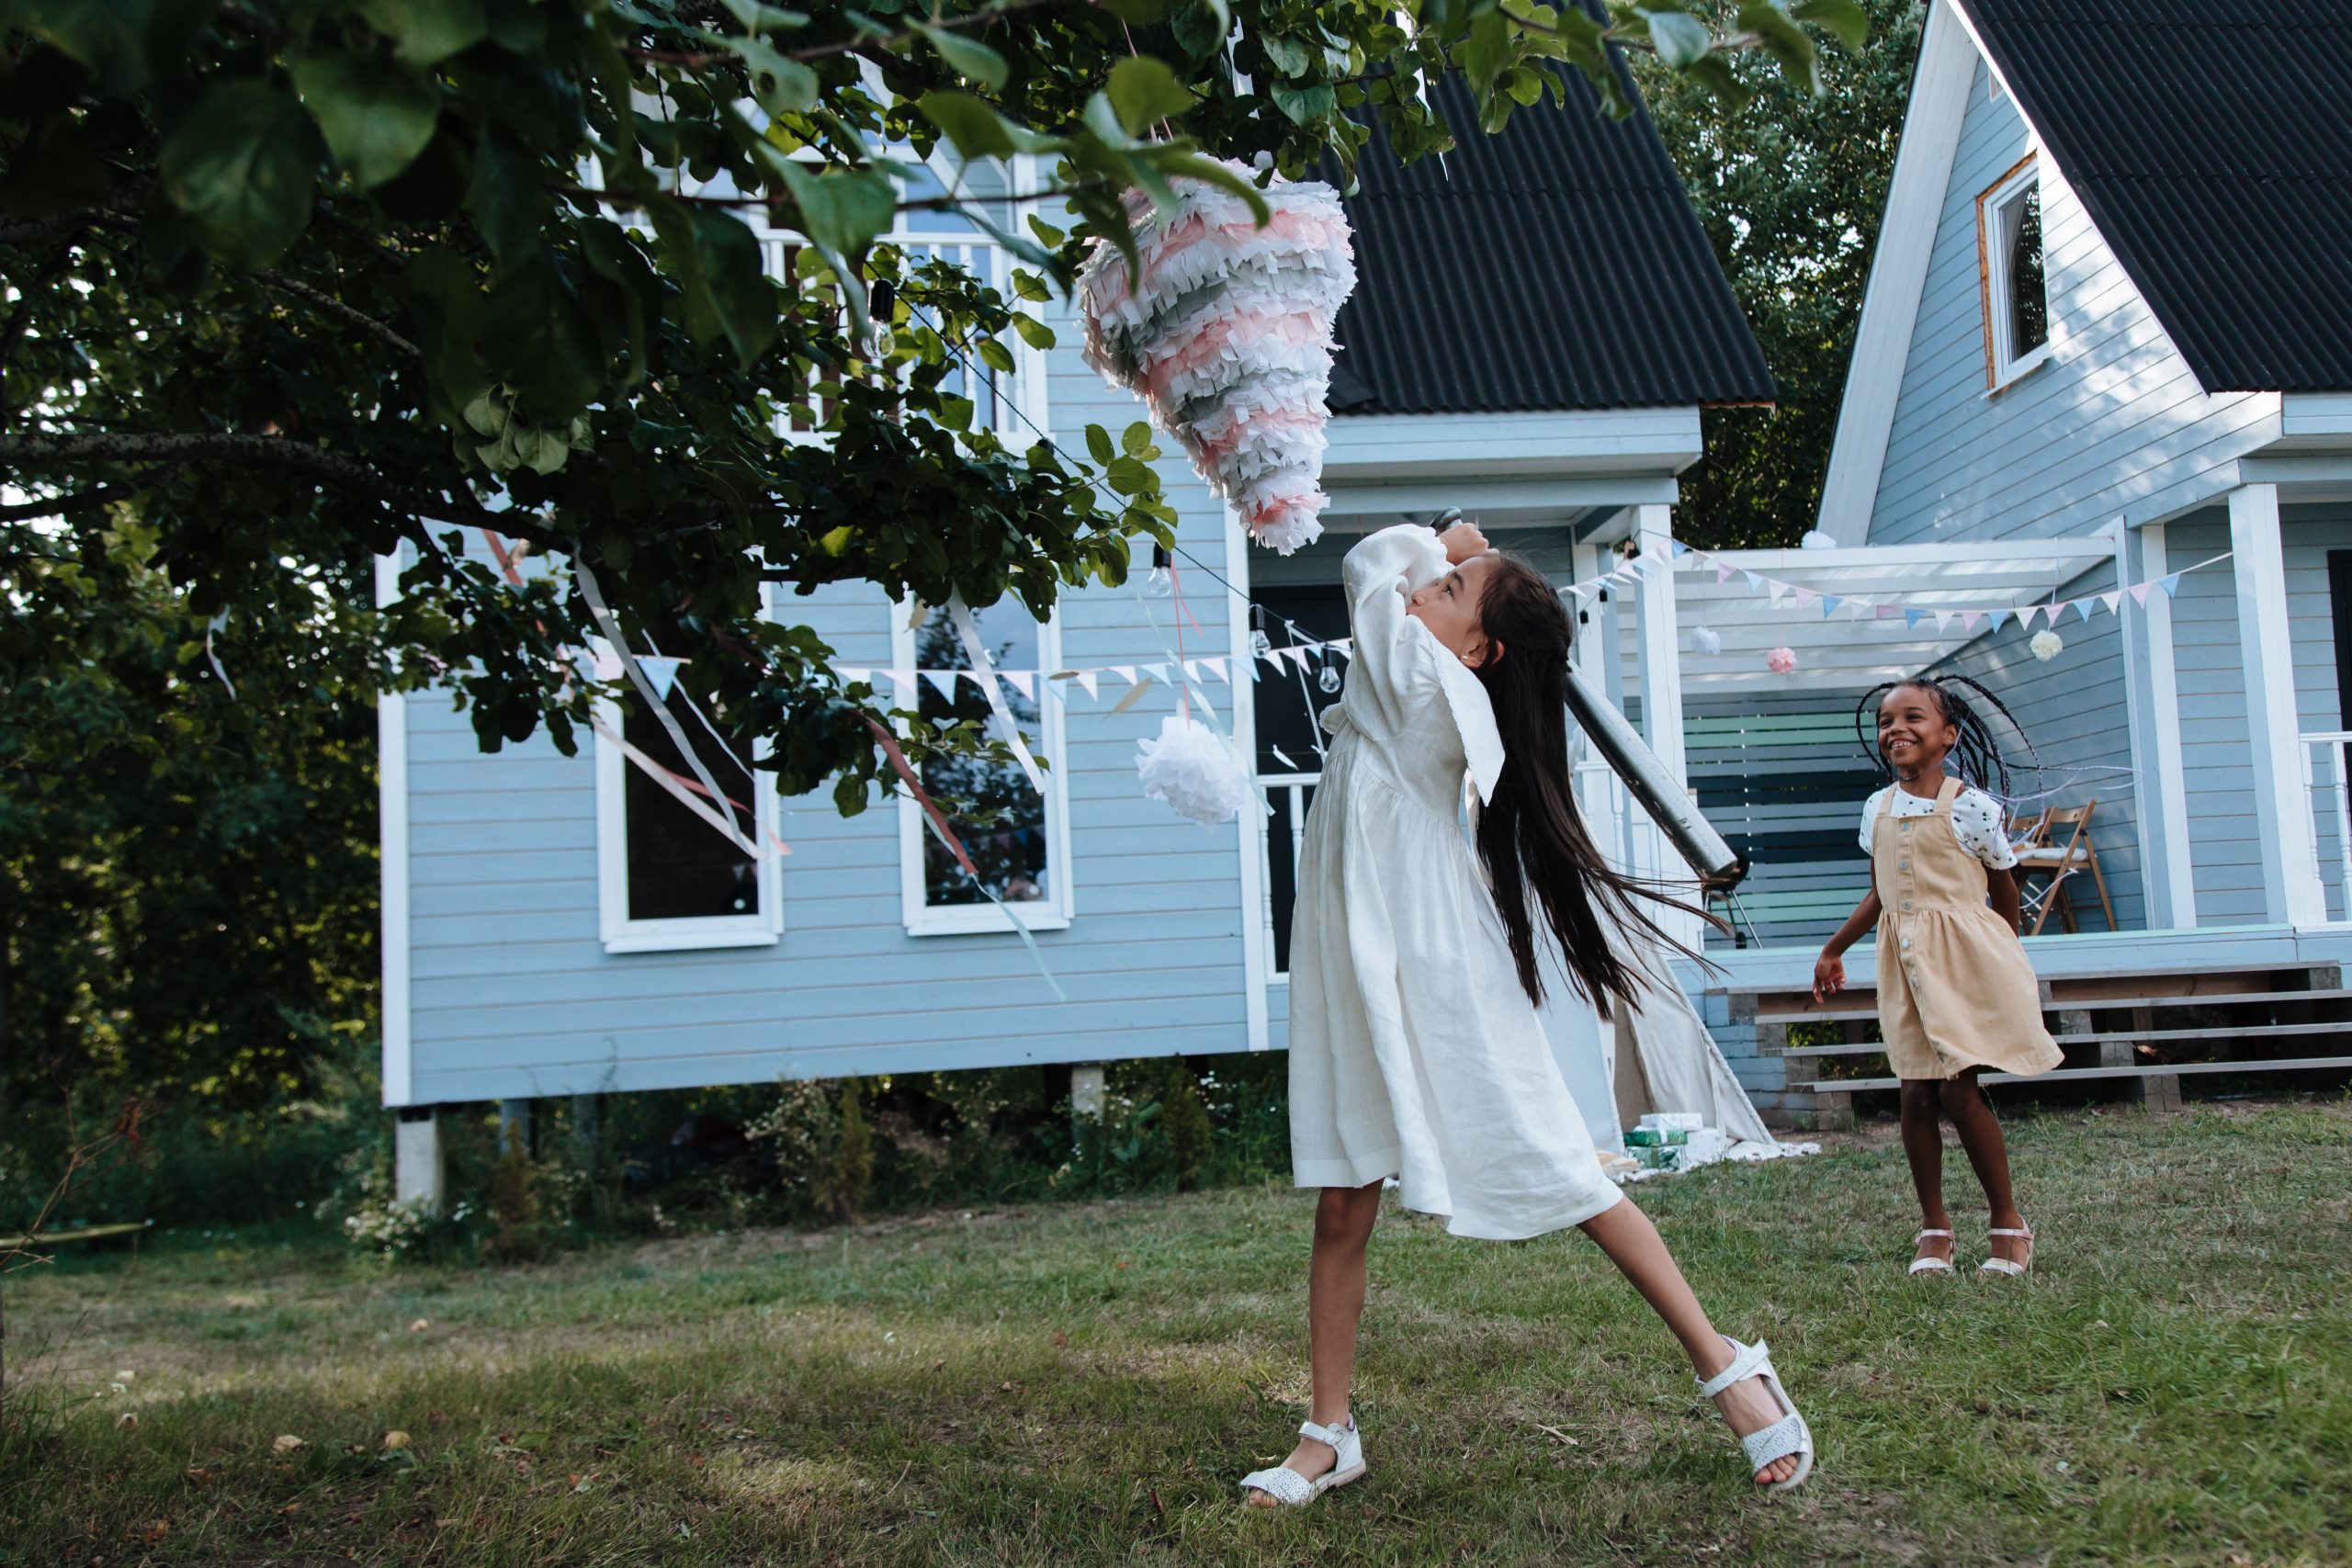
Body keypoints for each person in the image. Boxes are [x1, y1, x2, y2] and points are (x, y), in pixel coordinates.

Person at [1239, 519, 1814, 1508]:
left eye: (1452, 590)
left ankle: (1730, 1367)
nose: (1429, 585)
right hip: (1359, 955)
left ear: (1479, 650)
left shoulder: (1424, 677)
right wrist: (1466, 563)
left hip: (1434, 965)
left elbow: (1368, 560)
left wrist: (1442, 539)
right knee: (1343, 1192)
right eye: (1441, 580)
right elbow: (1398, 590)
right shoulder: (1429, 666)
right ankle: (1327, 1433)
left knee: (1556, 1162)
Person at [1813, 676, 2062, 1280]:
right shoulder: (1877, 808)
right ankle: (1935, 1229)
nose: (1895, 728)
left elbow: (2005, 889)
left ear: (1947, 735)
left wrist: (2002, 958)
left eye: (1913, 717)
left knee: (1956, 1087)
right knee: (1915, 1092)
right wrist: (1833, 948)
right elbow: (1881, 891)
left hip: (1963, 962)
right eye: (1885, 720)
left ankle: (2009, 1223)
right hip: (1903, 962)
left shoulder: (1971, 807)